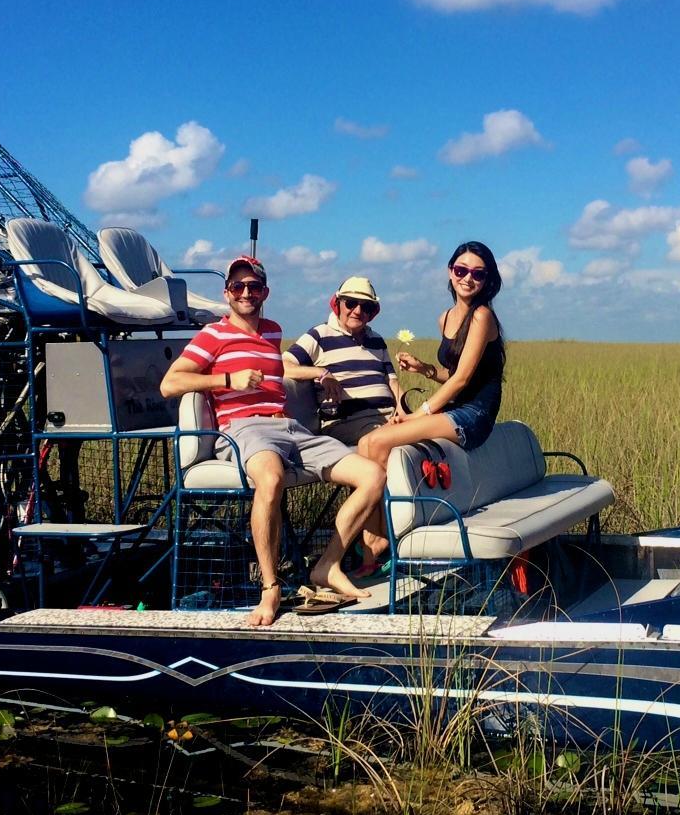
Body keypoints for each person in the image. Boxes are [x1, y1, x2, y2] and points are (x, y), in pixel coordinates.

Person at [159, 255, 385, 626]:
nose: (246, 292)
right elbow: (171, 383)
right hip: (243, 429)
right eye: (239, 286)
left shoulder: (273, 331)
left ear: (265, 292)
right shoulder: (213, 335)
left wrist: (318, 375)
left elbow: (282, 373)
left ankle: (327, 566)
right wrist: (227, 381)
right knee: (271, 478)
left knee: (373, 475)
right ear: (227, 293)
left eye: (254, 287)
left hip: (290, 427)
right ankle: (270, 586)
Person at [356, 239, 505, 469]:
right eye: (461, 270)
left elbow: (462, 379)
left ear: (487, 280)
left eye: (478, 274)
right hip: (453, 409)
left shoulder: (481, 316)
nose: (467, 278)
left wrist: (419, 414)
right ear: (450, 271)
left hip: (475, 415)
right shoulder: (445, 318)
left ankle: (400, 505)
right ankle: (381, 505)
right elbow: (455, 374)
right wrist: (423, 368)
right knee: (365, 444)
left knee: (377, 442)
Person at [285, 276, 405, 447]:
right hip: (345, 423)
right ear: (337, 303)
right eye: (351, 303)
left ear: (373, 312)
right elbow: (280, 366)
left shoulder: (376, 340)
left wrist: (406, 413)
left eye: (366, 306)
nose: (357, 311)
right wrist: (321, 372)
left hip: (388, 418)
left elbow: (392, 382)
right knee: (391, 439)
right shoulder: (320, 335)